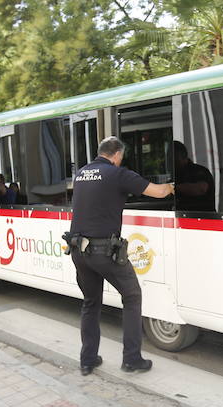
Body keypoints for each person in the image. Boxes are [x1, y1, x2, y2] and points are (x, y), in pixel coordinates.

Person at [67, 136, 174, 376]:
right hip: (104, 251)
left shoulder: (82, 173)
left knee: (91, 302)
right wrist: (172, 186)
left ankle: (87, 360)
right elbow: (158, 192)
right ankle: (132, 359)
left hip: (78, 250)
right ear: (117, 155)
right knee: (132, 296)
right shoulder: (118, 173)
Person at [172, 141, 214, 212]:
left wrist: (172, 188)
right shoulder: (175, 174)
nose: (173, 162)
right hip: (182, 218)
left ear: (183, 157)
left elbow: (201, 189)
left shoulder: (198, 171)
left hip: (203, 218)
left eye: (175, 159)